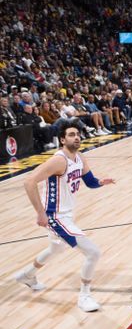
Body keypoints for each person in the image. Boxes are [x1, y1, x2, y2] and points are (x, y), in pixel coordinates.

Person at [13, 123, 115, 312]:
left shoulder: (79, 157)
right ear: (62, 140)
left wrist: (101, 182)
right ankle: (84, 296)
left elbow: (90, 182)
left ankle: (27, 275)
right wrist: (41, 213)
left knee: (56, 248)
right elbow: (29, 182)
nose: (76, 137)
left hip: (66, 213)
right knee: (93, 253)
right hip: (55, 216)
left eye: (77, 134)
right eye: (71, 135)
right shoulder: (59, 161)